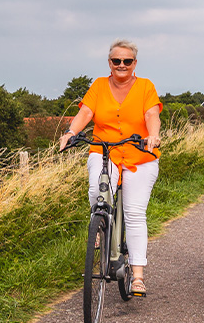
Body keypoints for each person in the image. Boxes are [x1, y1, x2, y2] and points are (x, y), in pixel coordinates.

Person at [59, 39, 162, 296]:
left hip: (140, 155)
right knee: (98, 189)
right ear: (109, 63)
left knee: (134, 212)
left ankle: (138, 275)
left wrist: (153, 135)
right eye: (117, 60)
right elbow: (86, 112)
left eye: (127, 61)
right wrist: (71, 132)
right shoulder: (99, 85)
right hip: (105, 151)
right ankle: (99, 224)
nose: (121, 65)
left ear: (134, 63)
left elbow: (152, 114)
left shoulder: (146, 86)